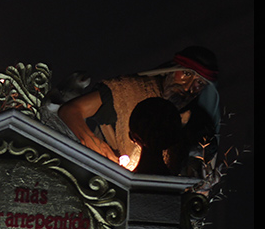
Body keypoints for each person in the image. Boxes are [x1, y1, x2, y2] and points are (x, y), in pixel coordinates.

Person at [57, 46, 220, 172]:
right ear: (173, 69)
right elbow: (70, 111)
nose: (188, 87)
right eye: (186, 74)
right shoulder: (126, 90)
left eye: (199, 83)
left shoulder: (196, 123)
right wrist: (94, 143)